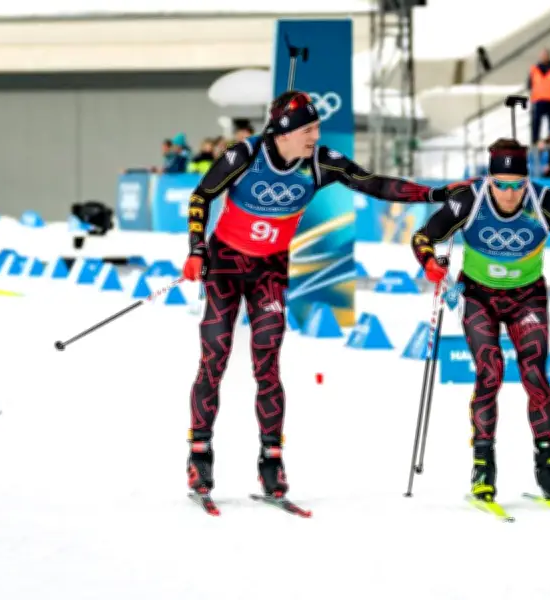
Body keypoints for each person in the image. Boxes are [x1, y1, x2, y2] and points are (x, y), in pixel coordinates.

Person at [183, 90, 446, 501]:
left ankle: (271, 461)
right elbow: (201, 196)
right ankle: (200, 454)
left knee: (266, 362)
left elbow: (373, 183)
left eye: (317, 128)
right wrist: (197, 249)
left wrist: (433, 195)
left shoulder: (320, 162)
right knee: (215, 354)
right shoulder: (245, 155)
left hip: (269, 270)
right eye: (307, 129)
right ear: (283, 132)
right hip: (225, 265)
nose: (314, 136)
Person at [410, 138, 550, 503]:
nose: (510, 195)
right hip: (478, 297)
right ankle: (483, 465)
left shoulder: (546, 202)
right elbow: (423, 237)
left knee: (535, 374)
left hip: (527, 297)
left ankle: (548, 467)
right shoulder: (469, 200)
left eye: (517, 186)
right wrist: (430, 263)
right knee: (490, 371)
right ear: (489, 179)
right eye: (502, 185)